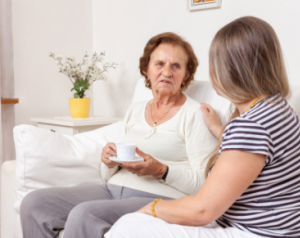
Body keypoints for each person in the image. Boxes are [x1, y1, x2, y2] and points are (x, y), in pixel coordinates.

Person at [105, 16, 300, 238]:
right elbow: (251, 154)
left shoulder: (250, 126)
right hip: (272, 227)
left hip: (255, 232)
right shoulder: (277, 109)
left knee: (128, 226)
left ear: (230, 68)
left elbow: (202, 210)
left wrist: (152, 208)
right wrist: (220, 130)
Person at [20, 32, 217, 238]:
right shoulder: (136, 109)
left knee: (84, 215)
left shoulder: (195, 113)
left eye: (176, 66)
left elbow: (205, 183)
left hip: (158, 198)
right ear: (146, 70)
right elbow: (109, 173)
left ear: (186, 75)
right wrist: (108, 161)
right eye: (159, 64)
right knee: (35, 203)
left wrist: (161, 170)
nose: (166, 72)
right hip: (112, 189)